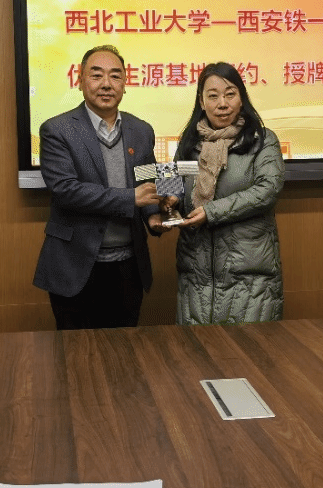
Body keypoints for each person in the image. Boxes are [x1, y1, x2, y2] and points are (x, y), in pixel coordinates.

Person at [33, 45, 169, 330]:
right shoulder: (57, 130)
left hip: (128, 267)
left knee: (125, 349)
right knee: (76, 351)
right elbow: (66, 190)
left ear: (125, 84)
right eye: (96, 75)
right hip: (75, 267)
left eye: (115, 76)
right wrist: (130, 198)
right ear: (80, 80)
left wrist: (155, 215)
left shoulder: (141, 130)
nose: (107, 84)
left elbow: (146, 180)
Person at [172, 62, 285, 325]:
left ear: (241, 98)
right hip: (196, 277)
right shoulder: (188, 143)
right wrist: (167, 203)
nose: (222, 104)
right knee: (196, 350)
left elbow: (267, 190)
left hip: (249, 277)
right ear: (202, 102)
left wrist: (211, 212)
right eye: (213, 96)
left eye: (230, 94)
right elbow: (175, 186)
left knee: (248, 350)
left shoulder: (262, 140)